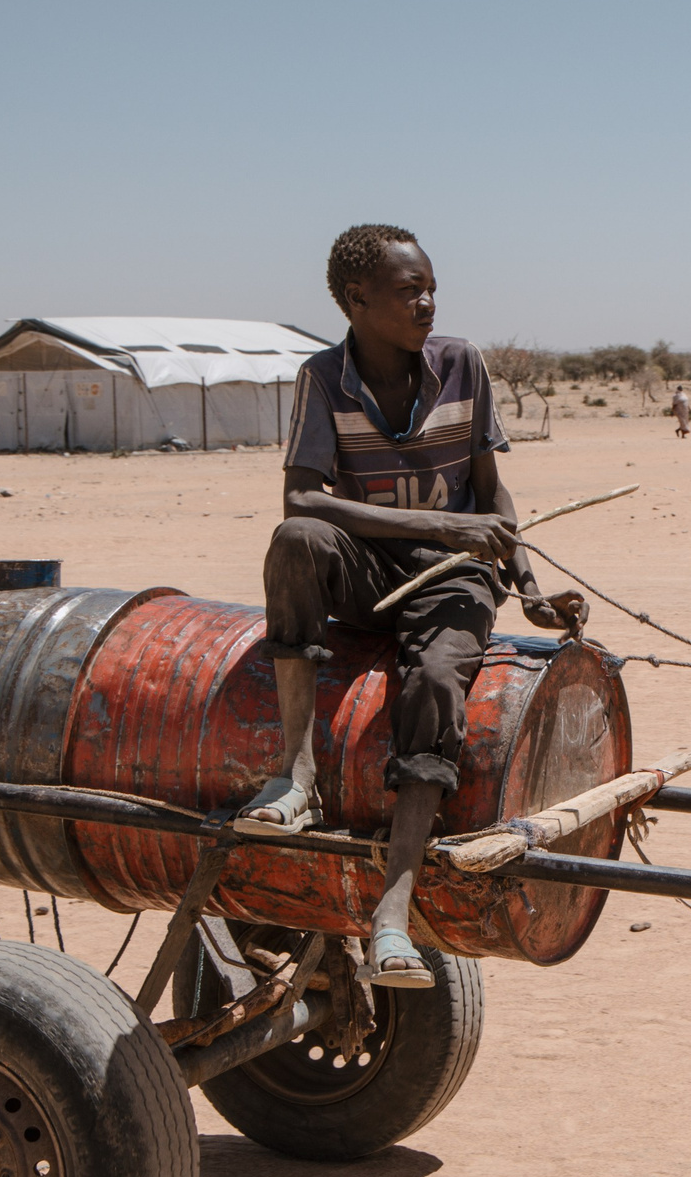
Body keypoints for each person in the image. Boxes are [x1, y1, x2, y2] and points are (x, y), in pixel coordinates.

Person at [242, 223, 584, 987]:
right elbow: (302, 495)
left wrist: (527, 590)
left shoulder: (461, 363)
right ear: (357, 301)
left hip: (455, 575)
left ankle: (392, 912)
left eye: (431, 287)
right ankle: (296, 775)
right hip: (371, 569)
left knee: (433, 683)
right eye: (408, 291)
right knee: (296, 538)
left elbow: (491, 497)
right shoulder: (323, 378)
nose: (426, 301)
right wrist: (439, 521)